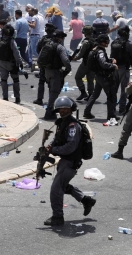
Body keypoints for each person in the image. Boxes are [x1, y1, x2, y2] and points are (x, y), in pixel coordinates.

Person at [44, 96, 96, 226]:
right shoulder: (62, 123)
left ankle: (57, 217)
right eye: (60, 109)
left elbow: (70, 146)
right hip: (66, 161)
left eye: (66, 108)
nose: (63, 111)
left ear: (71, 109)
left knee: (56, 189)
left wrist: (54, 150)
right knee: (63, 186)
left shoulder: (73, 126)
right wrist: (49, 146)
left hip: (70, 162)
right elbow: (57, 138)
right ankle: (86, 200)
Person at [83, 34, 119, 124]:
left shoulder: (96, 49)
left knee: (95, 95)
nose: (108, 42)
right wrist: (113, 66)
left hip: (98, 76)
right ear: (103, 42)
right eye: (106, 41)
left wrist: (110, 59)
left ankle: (87, 112)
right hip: (104, 77)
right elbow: (103, 63)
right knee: (111, 96)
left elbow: (101, 61)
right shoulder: (100, 52)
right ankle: (111, 116)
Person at [41, 30, 71, 120]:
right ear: (59, 38)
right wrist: (68, 68)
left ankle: (51, 110)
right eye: (62, 37)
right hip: (55, 72)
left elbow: (40, 59)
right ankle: (49, 112)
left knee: (51, 90)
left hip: (47, 71)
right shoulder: (59, 47)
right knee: (54, 92)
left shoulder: (46, 45)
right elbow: (65, 60)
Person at [0, 24, 22, 103]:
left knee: (3, 80)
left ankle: (5, 97)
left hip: (2, 63)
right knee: (15, 80)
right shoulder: (12, 41)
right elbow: (16, 53)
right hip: (12, 64)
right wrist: (20, 62)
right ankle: (17, 98)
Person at [111, 26, 132, 114]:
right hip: (124, 68)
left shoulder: (114, 42)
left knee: (114, 89)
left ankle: (112, 107)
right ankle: (122, 108)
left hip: (114, 68)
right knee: (124, 90)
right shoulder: (128, 44)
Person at [34, 23, 57, 106]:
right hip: (52, 64)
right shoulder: (56, 40)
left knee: (41, 81)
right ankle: (51, 100)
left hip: (43, 64)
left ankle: (39, 99)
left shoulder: (43, 39)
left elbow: (37, 49)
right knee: (51, 82)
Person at [72, 25, 96, 102]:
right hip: (93, 64)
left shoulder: (85, 42)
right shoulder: (94, 41)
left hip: (85, 63)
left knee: (78, 77)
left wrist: (75, 58)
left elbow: (81, 53)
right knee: (90, 80)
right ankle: (91, 95)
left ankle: (83, 92)